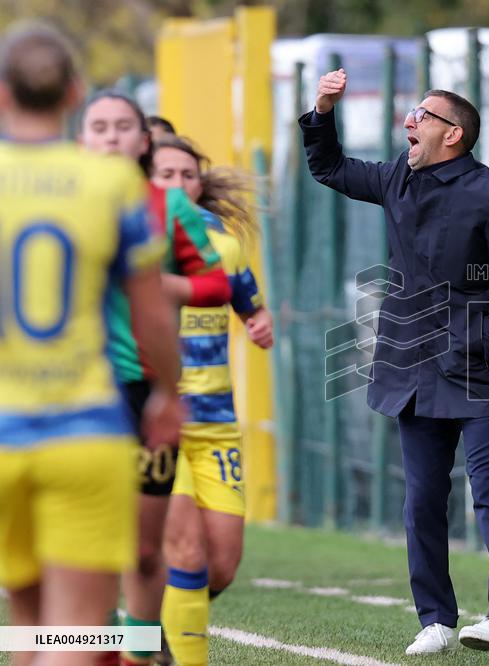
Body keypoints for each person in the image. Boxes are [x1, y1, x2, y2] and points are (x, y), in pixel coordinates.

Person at [300, 69, 489, 654]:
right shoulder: (396, 179)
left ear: (453, 134)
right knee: (422, 499)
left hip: (479, 370)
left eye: (422, 115)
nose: (409, 121)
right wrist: (323, 110)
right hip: (411, 370)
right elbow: (328, 167)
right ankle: (435, 619)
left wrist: (472, 341)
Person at [0, 23, 183, 666]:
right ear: (75, 95)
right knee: (75, 632)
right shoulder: (109, 186)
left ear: (0, 94)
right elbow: (151, 312)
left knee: (27, 630)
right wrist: (168, 390)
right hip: (84, 426)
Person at [79, 90, 231, 666]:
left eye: (124, 126)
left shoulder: (168, 207)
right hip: (70, 390)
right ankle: (80, 649)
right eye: (100, 126)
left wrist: (157, 285)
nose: (113, 136)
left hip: (145, 389)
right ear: (82, 139)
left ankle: (138, 648)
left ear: (144, 140)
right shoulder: (50, 200)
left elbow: (215, 286)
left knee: (144, 550)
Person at [149, 135, 274, 666]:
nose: (179, 185)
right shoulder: (132, 239)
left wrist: (258, 322)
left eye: (188, 175)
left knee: (220, 566)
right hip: (156, 421)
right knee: (187, 554)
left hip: (218, 425)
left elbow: (249, 302)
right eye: (165, 175)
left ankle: (141, 631)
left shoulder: (222, 240)